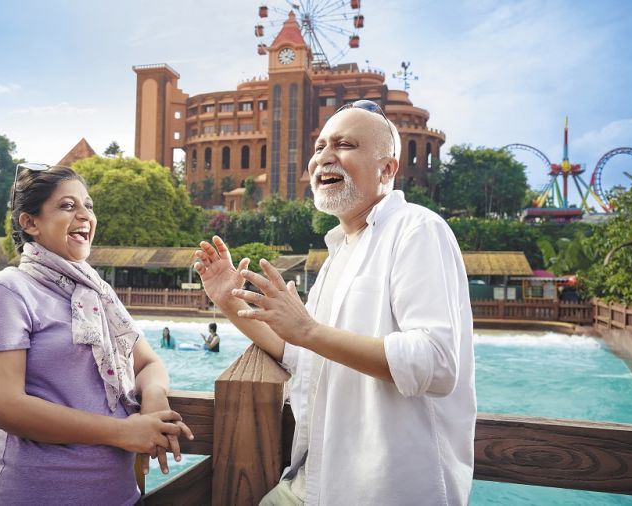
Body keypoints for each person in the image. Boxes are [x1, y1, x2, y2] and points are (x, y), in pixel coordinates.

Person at [193, 101, 476, 505]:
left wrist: (310, 330)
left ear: (387, 169)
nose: (324, 157)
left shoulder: (418, 229)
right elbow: (304, 354)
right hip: (315, 483)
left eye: (344, 145)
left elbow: (435, 363)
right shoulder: (337, 255)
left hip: (385, 489)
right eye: (320, 146)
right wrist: (226, 298)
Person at [0, 163, 192, 505]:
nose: (85, 215)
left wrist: (154, 404)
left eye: (88, 205)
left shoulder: (98, 293)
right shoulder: (6, 290)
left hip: (118, 497)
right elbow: (3, 407)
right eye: (67, 206)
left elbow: (147, 363)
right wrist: (124, 432)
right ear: (30, 222)